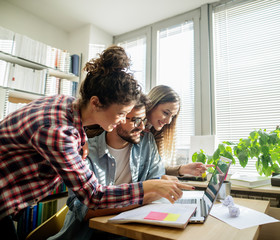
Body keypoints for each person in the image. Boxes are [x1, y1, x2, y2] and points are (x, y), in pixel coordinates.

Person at [0, 45, 191, 239]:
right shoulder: (58, 132)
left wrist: (80, 141)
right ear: (95, 103)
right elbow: (93, 196)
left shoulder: (67, 106)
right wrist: (148, 187)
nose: (121, 120)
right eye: (121, 113)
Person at [49, 93, 171, 240]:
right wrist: (146, 194)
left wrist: (155, 190)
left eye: (143, 119)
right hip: (89, 235)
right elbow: (84, 210)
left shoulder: (147, 142)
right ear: (118, 117)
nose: (142, 127)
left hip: (129, 232)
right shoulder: (85, 152)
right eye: (136, 120)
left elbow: (158, 185)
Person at [146, 85, 213, 177]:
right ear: (151, 104)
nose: (169, 121)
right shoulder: (129, 129)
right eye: (166, 113)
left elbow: (157, 168)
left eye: (172, 116)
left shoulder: (156, 132)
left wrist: (183, 169)